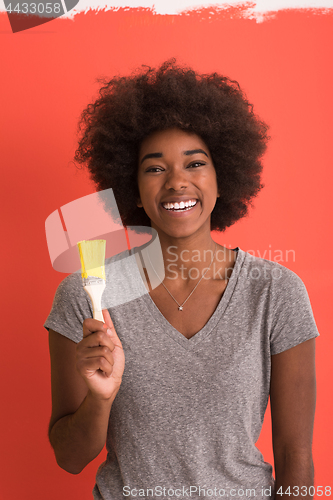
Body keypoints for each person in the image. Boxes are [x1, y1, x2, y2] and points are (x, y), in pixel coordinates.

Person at [44, 59, 319, 500]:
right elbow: (70, 457)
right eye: (155, 168)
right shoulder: (86, 297)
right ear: (131, 186)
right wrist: (100, 396)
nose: (176, 182)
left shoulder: (276, 293)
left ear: (221, 176)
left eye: (195, 164)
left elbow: (294, 454)